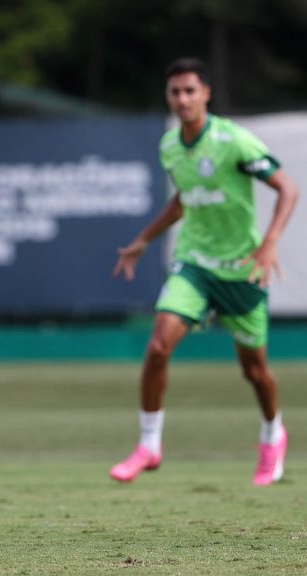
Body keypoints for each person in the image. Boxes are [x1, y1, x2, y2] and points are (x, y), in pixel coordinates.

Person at [110, 57, 298, 485]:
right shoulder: (170, 146)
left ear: (206, 94)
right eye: (175, 92)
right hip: (196, 265)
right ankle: (149, 446)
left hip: (243, 271)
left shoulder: (234, 141)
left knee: (255, 371)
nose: (182, 99)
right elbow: (183, 200)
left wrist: (269, 243)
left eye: (190, 90)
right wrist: (144, 239)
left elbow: (287, 187)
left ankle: (273, 434)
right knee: (158, 347)